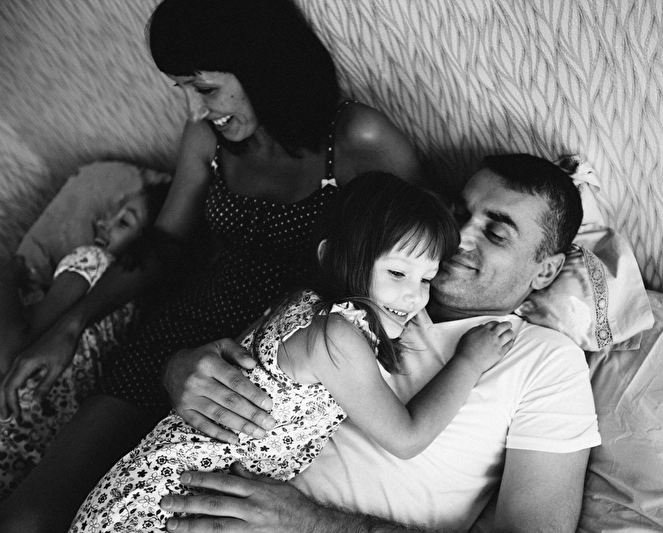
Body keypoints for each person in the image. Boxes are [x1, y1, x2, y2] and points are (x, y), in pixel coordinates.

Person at [0, 0, 420, 530]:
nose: (195, 110)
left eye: (204, 87)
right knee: (27, 518)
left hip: (261, 366)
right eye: (182, 89)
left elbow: (413, 251)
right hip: (176, 340)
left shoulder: (359, 139)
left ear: (259, 65)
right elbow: (164, 245)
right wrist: (71, 325)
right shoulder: (207, 140)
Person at [150, 154, 602, 532]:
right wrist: (178, 369)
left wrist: (307, 522)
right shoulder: (361, 283)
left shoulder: (546, 361)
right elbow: (258, 349)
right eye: (459, 214)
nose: (461, 236)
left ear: (546, 270)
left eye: (497, 233)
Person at [70, 172, 515, 532]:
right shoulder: (336, 336)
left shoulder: (299, 304)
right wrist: (468, 361)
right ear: (333, 256)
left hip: (149, 488)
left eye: (426, 278)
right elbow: (407, 438)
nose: (415, 296)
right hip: (161, 507)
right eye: (398, 273)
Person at [0, 182, 170, 500]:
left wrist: (7, 278)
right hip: (37, 458)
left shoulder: (93, 261)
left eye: (124, 221)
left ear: (146, 240)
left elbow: (12, 352)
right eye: (110, 215)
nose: (102, 223)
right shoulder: (139, 312)